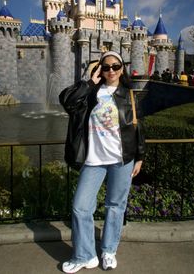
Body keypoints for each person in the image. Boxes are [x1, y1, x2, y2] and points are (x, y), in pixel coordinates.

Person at [59, 51, 145, 273]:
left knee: (116, 206)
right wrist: (89, 82)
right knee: (80, 207)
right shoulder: (91, 93)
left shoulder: (130, 95)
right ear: (100, 70)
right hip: (94, 160)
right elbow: (66, 100)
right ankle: (85, 255)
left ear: (122, 69)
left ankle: (108, 251)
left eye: (115, 66)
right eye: (106, 67)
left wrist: (140, 156)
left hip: (121, 159)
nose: (111, 71)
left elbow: (138, 129)